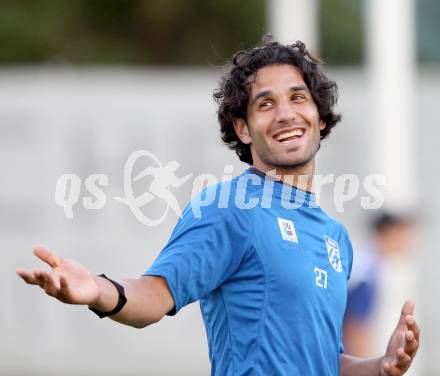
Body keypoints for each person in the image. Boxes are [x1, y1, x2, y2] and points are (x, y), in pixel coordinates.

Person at [16, 37, 419, 375]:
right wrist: (99, 290)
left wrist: (381, 365)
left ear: (320, 117)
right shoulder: (228, 207)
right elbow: (154, 297)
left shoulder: (336, 237)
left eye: (298, 98)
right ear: (242, 128)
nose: (285, 114)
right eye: (265, 104)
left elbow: (321, 362)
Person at [343, 212, 417, 358]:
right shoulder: (366, 269)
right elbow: (356, 328)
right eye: (403, 232)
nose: (409, 240)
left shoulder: (361, 256)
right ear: (389, 232)